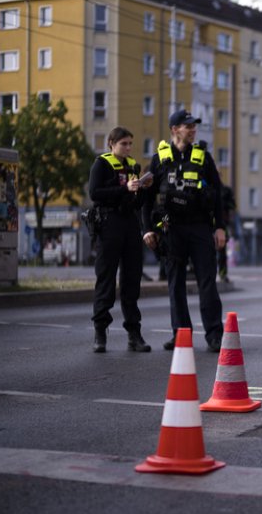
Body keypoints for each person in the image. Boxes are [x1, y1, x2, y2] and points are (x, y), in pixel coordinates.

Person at [141, 109, 226, 353]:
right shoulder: (159, 159)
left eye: (194, 126)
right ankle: (181, 334)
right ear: (174, 129)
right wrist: (147, 229)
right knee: (175, 282)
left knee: (207, 281)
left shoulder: (203, 157)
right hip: (170, 225)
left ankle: (214, 335)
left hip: (199, 225)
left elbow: (218, 195)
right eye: (188, 126)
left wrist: (219, 226)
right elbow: (146, 199)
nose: (193, 130)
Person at [88, 127, 152, 353]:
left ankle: (134, 334)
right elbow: (95, 193)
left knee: (131, 280)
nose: (127, 148)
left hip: (129, 224)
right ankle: (100, 332)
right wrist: (124, 188)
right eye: (123, 143)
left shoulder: (133, 166)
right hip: (108, 224)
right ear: (111, 144)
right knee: (106, 278)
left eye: (130, 144)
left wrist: (142, 190)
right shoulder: (101, 164)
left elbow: (136, 203)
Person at [217, 184, 236, 283]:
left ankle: (222, 273)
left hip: (222, 224)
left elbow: (233, 205)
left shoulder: (226, 191)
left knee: (222, 251)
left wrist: (223, 204)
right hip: (207, 224)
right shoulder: (205, 187)